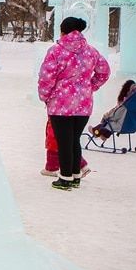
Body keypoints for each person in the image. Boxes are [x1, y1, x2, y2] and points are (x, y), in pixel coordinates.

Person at [38, 17, 110, 190]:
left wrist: (45, 97)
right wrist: (90, 86)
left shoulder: (56, 51)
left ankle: (65, 178)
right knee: (74, 140)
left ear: (63, 32)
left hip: (60, 104)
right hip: (83, 104)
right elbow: (104, 72)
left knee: (64, 142)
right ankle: (76, 175)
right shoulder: (91, 51)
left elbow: (46, 78)